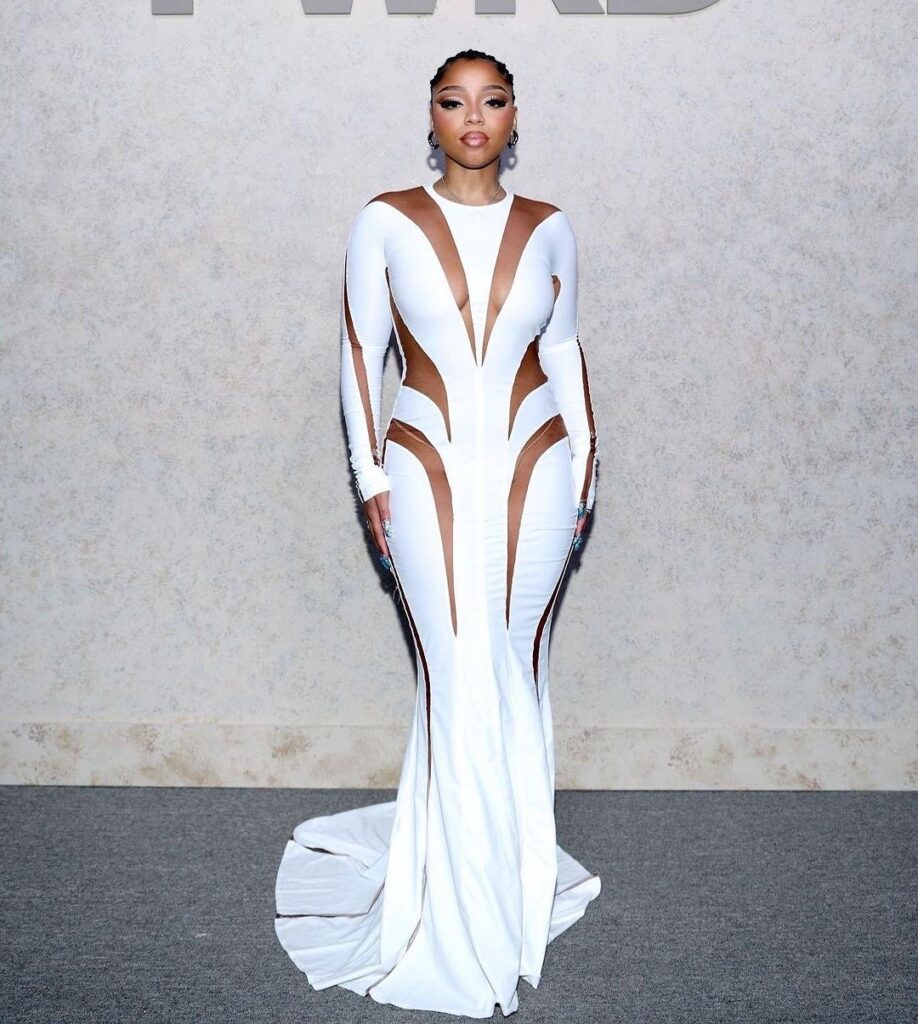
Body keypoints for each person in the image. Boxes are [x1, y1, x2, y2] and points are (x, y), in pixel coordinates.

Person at [274, 49, 600, 1018]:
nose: (474, 117)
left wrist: (590, 464)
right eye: (454, 101)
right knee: (455, 673)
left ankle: (512, 889)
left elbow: (565, 347)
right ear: (432, 117)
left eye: (492, 100)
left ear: (514, 116)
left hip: (540, 468)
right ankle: (451, 927)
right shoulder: (383, 220)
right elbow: (358, 350)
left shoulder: (550, 226)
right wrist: (368, 475)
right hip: (422, 469)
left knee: (514, 669)